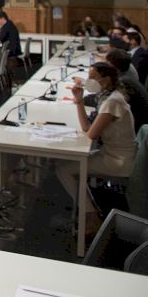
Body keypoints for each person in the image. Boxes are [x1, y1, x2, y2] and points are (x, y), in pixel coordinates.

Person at [58, 62, 136, 223]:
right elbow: (87, 127)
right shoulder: (109, 96)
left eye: (93, 77)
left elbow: (91, 134)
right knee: (70, 163)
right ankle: (88, 208)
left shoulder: (112, 102)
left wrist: (80, 102)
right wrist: (79, 100)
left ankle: (91, 215)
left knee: (63, 169)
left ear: (106, 80)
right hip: (113, 154)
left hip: (118, 160)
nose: (88, 81)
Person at [100, 49, 148, 131]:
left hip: (135, 126)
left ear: (111, 66)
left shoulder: (123, 82)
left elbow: (109, 103)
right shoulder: (126, 73)